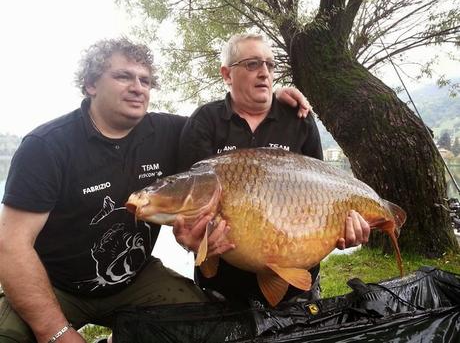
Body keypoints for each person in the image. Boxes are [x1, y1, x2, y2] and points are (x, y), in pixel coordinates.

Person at [0, 37, 310, 342]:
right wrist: (55, 333)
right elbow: (11, 246)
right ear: (91, 84)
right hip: (56, 284)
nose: (137, 87)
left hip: (136, 279)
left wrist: (271, 95)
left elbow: (236, 143)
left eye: (145, 80)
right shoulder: (47, 146)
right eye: (123, 76)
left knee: (209, 323)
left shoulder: (170, 132)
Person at [176, 33, 370, 305]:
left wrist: (341, 230)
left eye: (270, 64)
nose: (264, 72)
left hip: (296, 282)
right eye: (252, 64)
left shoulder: (299, 118)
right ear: (227, 74)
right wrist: (189, 241)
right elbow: (188, 201)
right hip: (222, 286)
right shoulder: (205, 122)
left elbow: (325, 192)